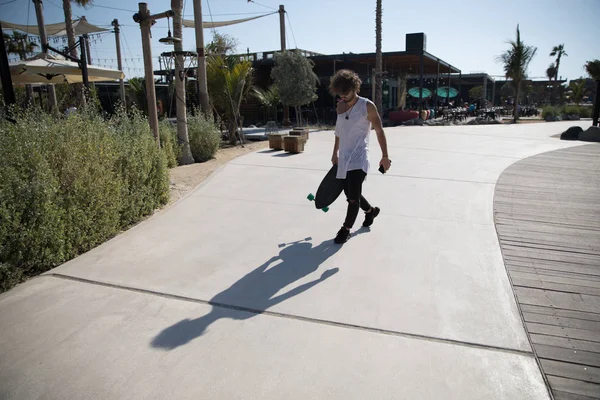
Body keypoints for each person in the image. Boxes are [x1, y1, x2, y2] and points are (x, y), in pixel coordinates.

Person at [329, 69, 391, 244]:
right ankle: (370, 211)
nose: (343, 96)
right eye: (340, 93)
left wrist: (385, 156)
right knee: (350, 194)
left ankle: (345, 229)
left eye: (346, 93)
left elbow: (379, 130)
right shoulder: (340, 106)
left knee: (353, 198)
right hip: (344, 158)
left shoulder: (367, 106)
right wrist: (335, 153)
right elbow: (338, 132)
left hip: (359, 158)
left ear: (355, 87)